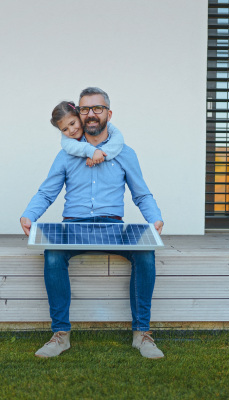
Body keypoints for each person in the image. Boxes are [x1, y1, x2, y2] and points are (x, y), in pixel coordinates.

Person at [20, 87, 164, 359]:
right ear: (78, 113)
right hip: (74, 226)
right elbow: (47, 191)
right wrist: (30, 214)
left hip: (113, 228)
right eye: (85, 109)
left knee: (146, 253)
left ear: (108, 113)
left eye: (97, 108)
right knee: (52, 255)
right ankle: (61, 335)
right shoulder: (66, 154)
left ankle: (142, 334)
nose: (91, 114)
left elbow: (141, 193)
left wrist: (155, 218)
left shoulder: (125, 153)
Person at [51, 100, 124, 167]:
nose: (71, 130)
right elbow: (71, 146)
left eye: (72, 123)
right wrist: (91, 152)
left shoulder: (100, 125)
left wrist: (101, 153)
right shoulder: (66, 143)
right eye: (65, 129)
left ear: (80, 116)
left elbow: (117, 137)